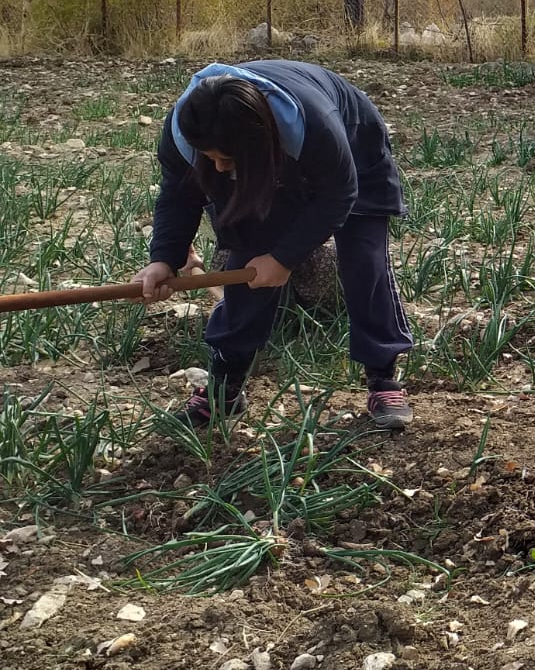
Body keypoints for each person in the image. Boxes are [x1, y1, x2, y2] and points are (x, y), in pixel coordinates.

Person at [133, 60, 414, 429]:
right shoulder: (187, 129)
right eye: (210, 158)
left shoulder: (315, 126)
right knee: (246, 267)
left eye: (227, 160)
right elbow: (177, 194)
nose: (218, 169)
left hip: (353, 148)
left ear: (259, 143)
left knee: (364, 262)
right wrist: (164, 259)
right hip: (268, 156)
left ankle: (383, 376)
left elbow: (340, 194)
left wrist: (285, 257)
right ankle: (225, 389)